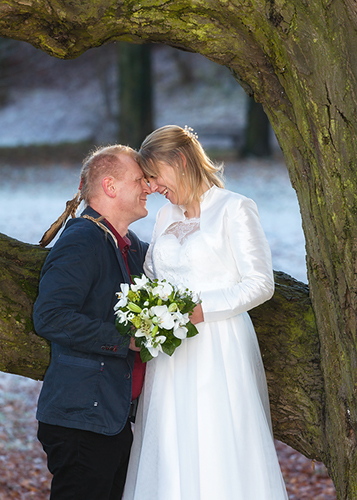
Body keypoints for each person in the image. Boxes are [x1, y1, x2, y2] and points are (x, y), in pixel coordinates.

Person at [123, 125, 288, 500]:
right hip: (171, 351)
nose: (152, 186)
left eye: (154, 175)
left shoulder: (235, 209)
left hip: (219, 344)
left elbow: (261, 283)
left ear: (180, 161)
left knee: (217, 439)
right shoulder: (166, 217)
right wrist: (149, 312)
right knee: (169, 440)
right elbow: (151, 275)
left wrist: (202, 310)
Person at [33, 145, 151, 500]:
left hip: (109, 419)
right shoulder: (83, 239)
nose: (147, 187)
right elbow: (50, 315)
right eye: (139, 179)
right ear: (111, 187)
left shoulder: (128, 246)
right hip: (81, 420)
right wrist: (124, 338)